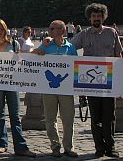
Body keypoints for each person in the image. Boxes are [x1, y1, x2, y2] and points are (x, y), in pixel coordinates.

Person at [70, 3, 122, 158]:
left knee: (109, 116)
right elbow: (69, 47)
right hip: (90, 83)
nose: (96, 18)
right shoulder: (84, 34)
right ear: (90, 18)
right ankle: (99, 147)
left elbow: (118, 56)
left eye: (99, 16)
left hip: (108, 81)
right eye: (93, 16)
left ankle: (110, 147)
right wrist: (50, 46)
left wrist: (119, 82)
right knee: (95, 116)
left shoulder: (111, 32)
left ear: (103, 17)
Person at [0, 19, 36, 157]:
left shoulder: (13, 44)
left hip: (12, 83)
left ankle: (20, 147)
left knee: (15, 116)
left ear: (5, 30)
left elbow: (20, 63)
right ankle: (2, 144)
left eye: (1, 29)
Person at [32, 20, 78, 157]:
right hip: (49, 89)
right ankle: (55, 146)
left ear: (62, 31)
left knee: (68, 118)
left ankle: (68, 147)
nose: (50, 31)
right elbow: (30, 57)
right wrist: (39, 48)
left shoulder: (70, 48)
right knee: (50, 119)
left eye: (53, 28)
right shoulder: (46, 46)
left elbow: (76, 66)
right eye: (50, 28)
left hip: (66, 89)